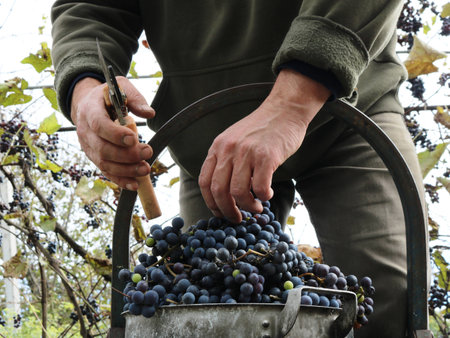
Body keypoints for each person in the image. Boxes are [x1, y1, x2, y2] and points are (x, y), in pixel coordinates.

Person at [51, 1, 428, 336]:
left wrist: (293, 103)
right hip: (212, 143)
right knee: (214, 313)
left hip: (348, 109)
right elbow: (89, 8)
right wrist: (84, 87)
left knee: (389, 302)